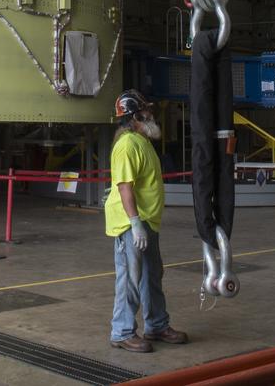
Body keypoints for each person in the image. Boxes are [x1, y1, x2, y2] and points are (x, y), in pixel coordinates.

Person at [105, 90, 187, 353]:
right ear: (134, 116)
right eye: (146, 111)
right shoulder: (127, 145)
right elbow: (125, 187)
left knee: (152, 275)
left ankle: (156, 325)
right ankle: (122, 331)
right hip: (132, 224)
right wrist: (135, 221)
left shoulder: (142, 141)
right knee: (130, 277)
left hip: (147, 221)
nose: (152, 114)